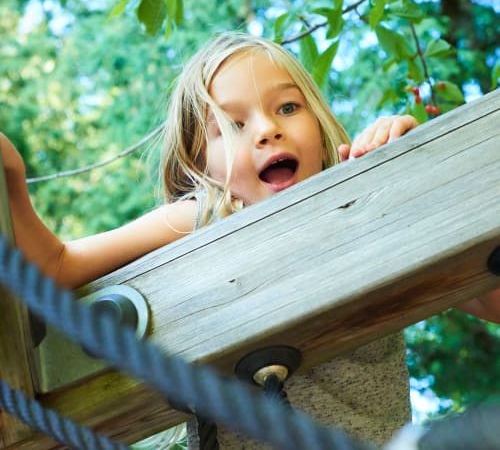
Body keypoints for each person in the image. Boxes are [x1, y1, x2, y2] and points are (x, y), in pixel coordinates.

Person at [1, 32, 499, 448]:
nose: (267, 131)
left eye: (286, 107)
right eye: (233, 125)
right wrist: (11, 180)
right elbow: (58, 266)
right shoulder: (204, 216)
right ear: (202, 166)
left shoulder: (366, 200)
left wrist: (415, 182)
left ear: (320, 127)